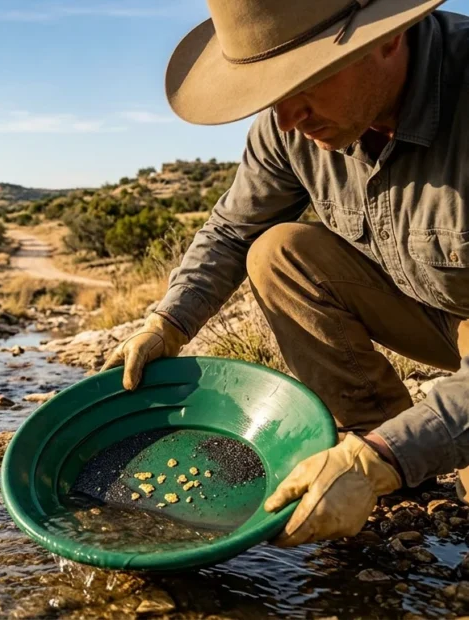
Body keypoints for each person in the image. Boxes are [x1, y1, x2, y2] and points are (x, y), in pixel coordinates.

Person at [101, 0, 469, 547]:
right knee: (276, 251)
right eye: (272, 92)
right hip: (427, 308)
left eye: (305, 81)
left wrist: (386, 458)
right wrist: (168, 323)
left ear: (387, 39)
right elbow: (232, 230)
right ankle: (372, 439)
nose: (287, 118)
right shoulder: (291, 124)